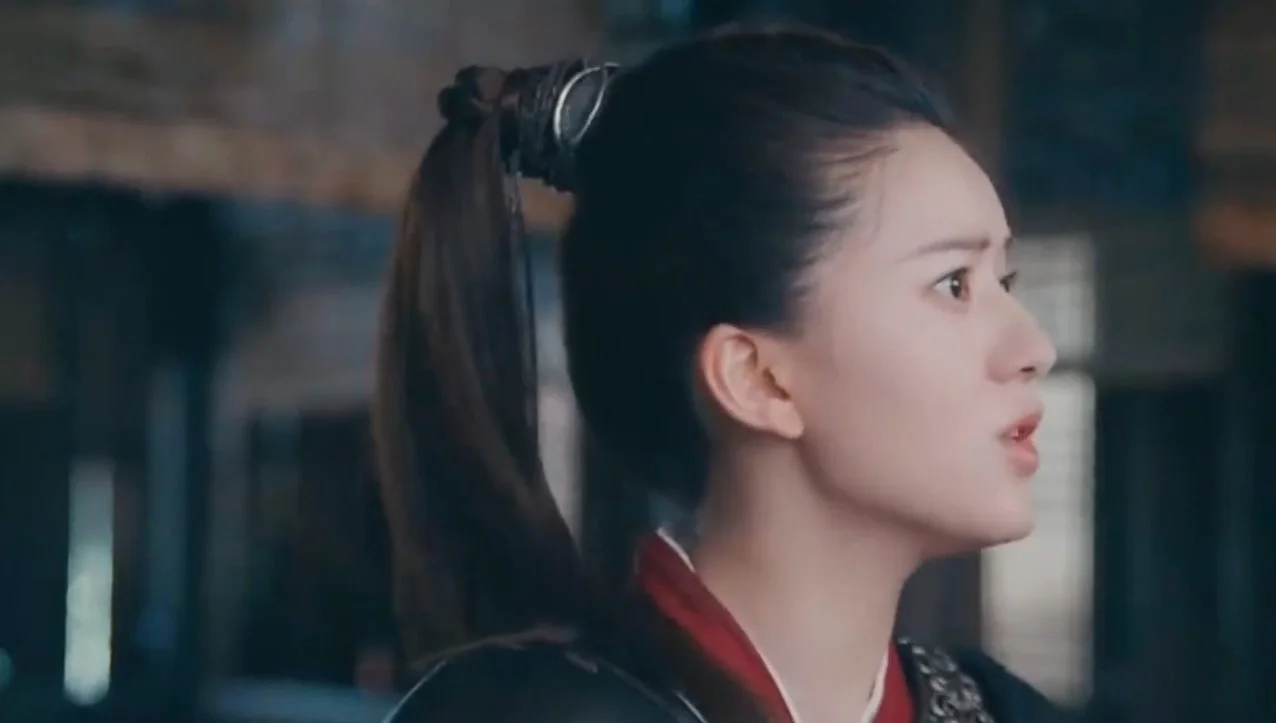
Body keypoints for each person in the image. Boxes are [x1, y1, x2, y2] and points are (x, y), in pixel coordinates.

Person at [372, 21, 1074, 723]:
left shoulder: (1002, 711)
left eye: (1004, 281)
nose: (1034, 346)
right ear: (756, 378)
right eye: (954, 284)